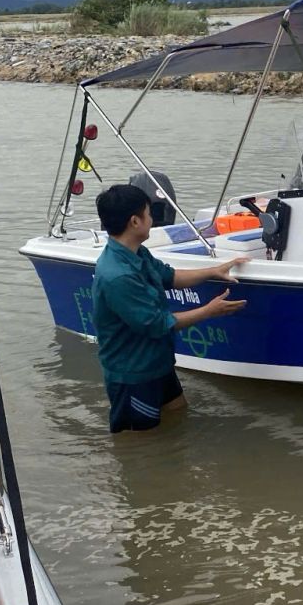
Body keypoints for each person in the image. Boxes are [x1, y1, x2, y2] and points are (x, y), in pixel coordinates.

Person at [92, 184, 247, 433]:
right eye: (148, 213)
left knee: (178, 415)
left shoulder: (137, 253)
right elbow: (157, 324)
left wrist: (214, 271)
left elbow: (169, 276)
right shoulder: (117, 275)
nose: (152, 219)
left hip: (157, 363)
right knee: (139, 442)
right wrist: (210, 310)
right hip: (134, 374)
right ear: (135, 222)